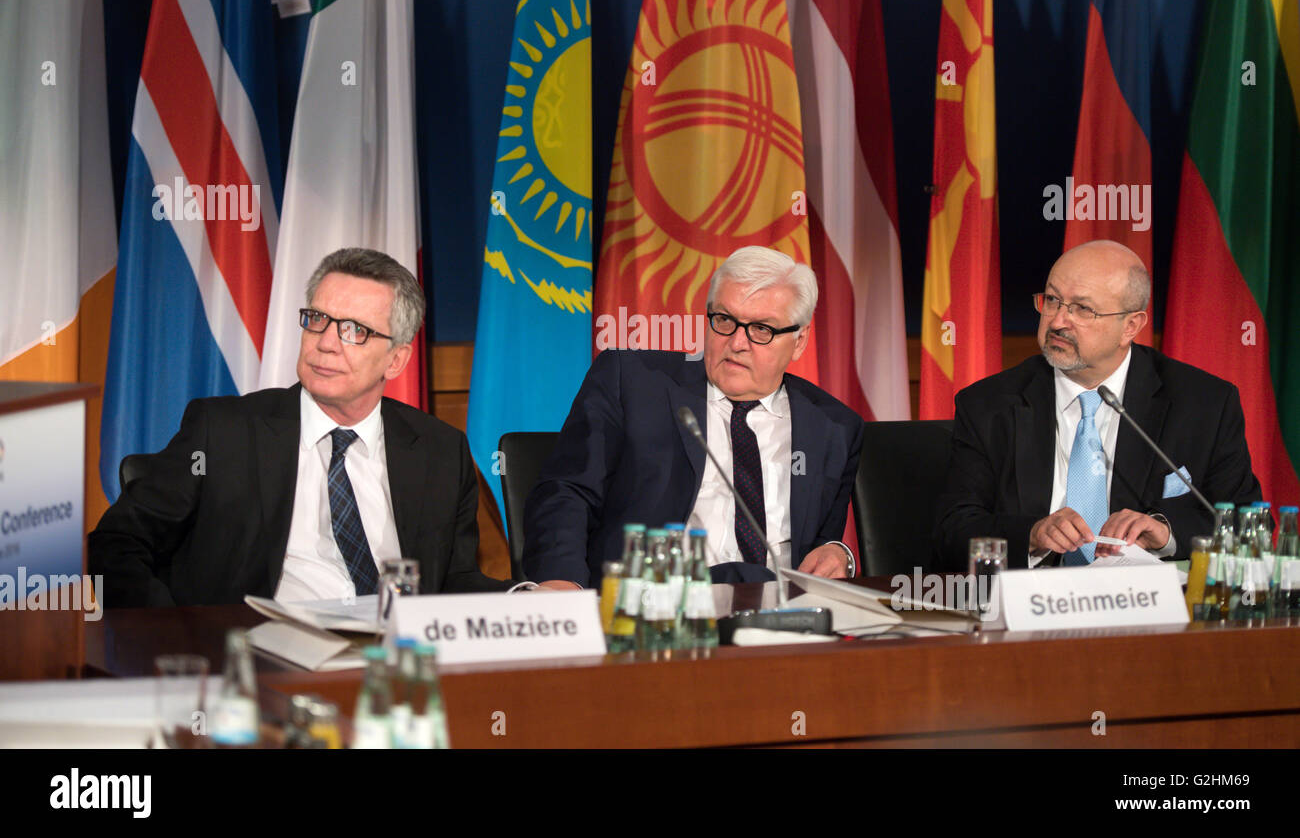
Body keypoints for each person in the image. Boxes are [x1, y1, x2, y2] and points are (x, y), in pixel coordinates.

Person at [89, 248, 511, 606]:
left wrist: (524, 599)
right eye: (317, 319)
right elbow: (116, 543)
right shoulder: (223, 433)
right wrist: (177, 632)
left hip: (391, 663)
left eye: (354, 331)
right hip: (262, 663)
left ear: (396, 360)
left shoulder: (440, 451)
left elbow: (453, 583)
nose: (326, 342)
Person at [522, 246, 865, 588]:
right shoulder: (631, 382)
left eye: (761, 329)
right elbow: (566, 492)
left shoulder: (834, 428)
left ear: (800, 340)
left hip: (780, 618)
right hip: (651, 610)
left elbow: (820, 545)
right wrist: (560, 582)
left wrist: (838, 553)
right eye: (725, 320)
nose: (737, 343)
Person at [934, 240, 1261, 571]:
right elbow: (951, 530)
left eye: (1082, 309)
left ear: (1130, 326)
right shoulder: (989, 405)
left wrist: (1167, 533)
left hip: (1144, 608)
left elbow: (1245, 528)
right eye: (1052, 300)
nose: (1058, 321)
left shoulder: (1203, 404)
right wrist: (1032, 533)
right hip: (1028, 606)